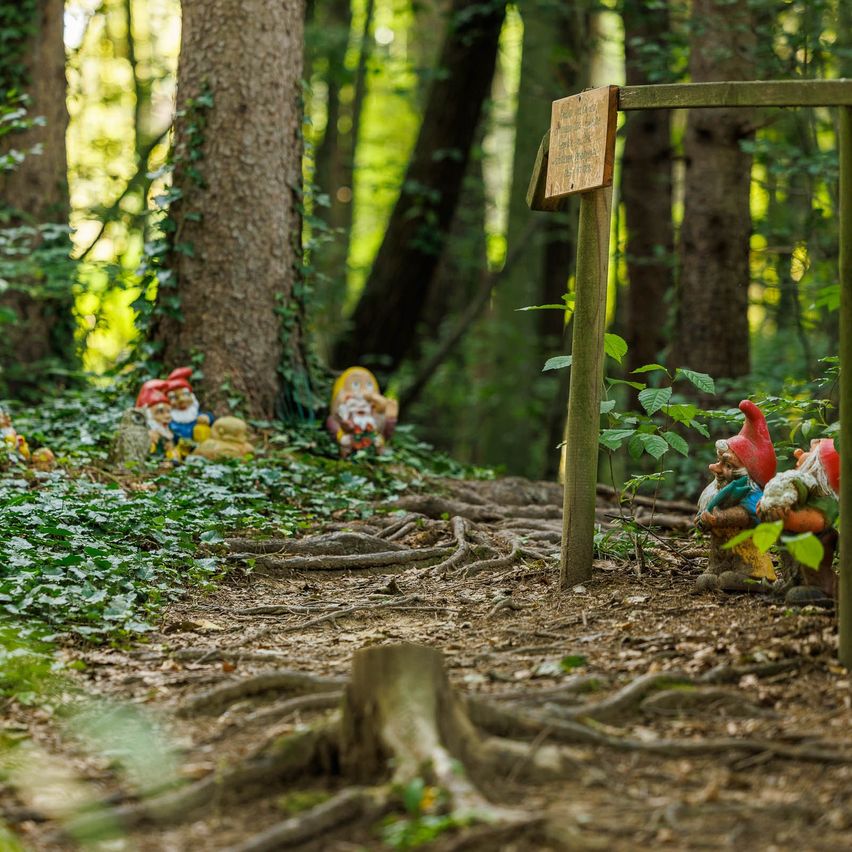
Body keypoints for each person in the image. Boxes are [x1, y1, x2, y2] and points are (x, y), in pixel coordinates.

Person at [695, 400, 777, 592]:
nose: (715, 468)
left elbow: (747, 515)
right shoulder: (716, 492)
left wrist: (719, 518)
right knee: (707, 580)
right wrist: (702, 521)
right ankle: (717, 570)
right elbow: (706, 517)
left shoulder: (753, 495)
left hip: (748, 561)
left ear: (746, 473)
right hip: (720, 557)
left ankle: (757, 580)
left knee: (731, 579)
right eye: (718, 461)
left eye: (728, 465)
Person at [758, 438, 838, 605]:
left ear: (820, 467)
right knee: (791, 582)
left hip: (814, 572)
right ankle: (793, 582)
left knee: (799, 591)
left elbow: (812, 522)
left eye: (809, 452)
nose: (798, 453)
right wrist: (766, 507)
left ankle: (825, 591)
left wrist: (782, 517)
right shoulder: (801, 496)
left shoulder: (825, 502)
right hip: (794, 563)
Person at [326, 367, 398, 457]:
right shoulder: (343, 412)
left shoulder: (373, 414)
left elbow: (383, 431)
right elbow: (335, 426)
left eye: (369, 385)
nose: (362, 393)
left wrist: (390, 419)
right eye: (355, 385)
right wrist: (342, 435)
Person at [164, 367, 214, 451]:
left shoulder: (194, 414)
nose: (181, 400)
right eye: (174, 397)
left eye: (185, 394)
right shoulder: (171, 422)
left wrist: (207, 417)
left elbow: (209, 417)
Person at [135, 382, 179, 462]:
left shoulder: (167, 428)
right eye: (160, 412)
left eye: (168, 411)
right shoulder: (146, 430)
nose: (167, 416)